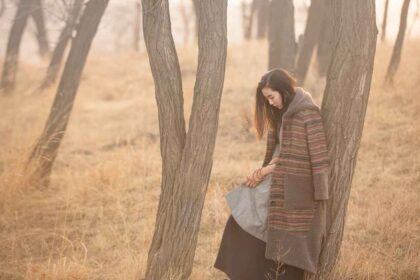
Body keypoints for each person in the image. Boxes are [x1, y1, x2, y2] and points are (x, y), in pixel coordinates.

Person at [214, 68, 329, 280]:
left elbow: (315, 156)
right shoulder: (283, 114)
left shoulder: (307, 113)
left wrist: (265, 170)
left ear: (283, 90)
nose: (269, 103)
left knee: (261, 225)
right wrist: (264, 170)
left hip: (297, 189)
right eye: (266, 98)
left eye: (271, 97)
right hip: (278, 180)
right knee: (240, 219)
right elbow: (284, 151)